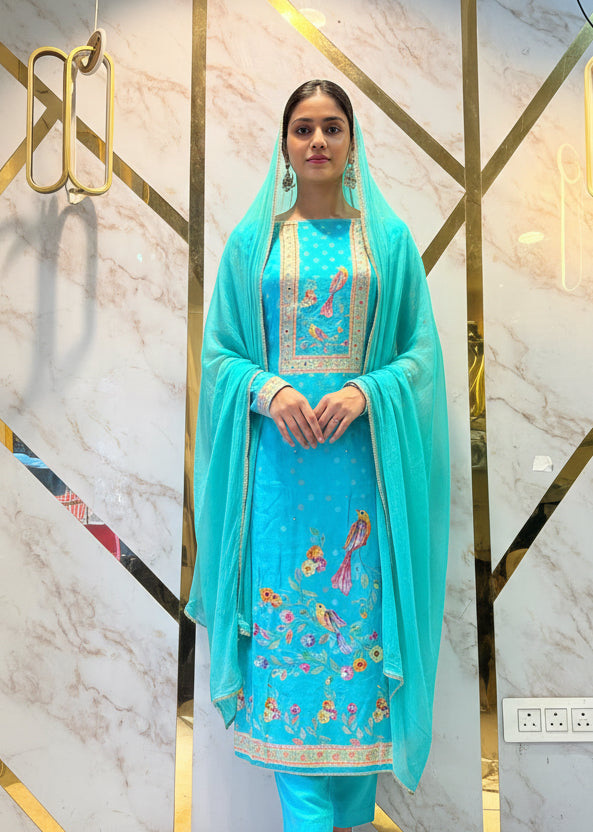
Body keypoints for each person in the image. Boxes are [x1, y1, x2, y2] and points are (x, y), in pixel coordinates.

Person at [186, 79, 450, 832]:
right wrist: (269, 390)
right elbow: (220, 356)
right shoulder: (255, 245)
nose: (317, 142)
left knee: (357, 684)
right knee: (291, 680)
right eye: (302, 128)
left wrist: (367, 392)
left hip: (365, 487)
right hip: (277, 488)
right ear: (283, 145)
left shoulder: (386, 244)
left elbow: (420, 357)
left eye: (332, 127)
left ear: (352, 142)